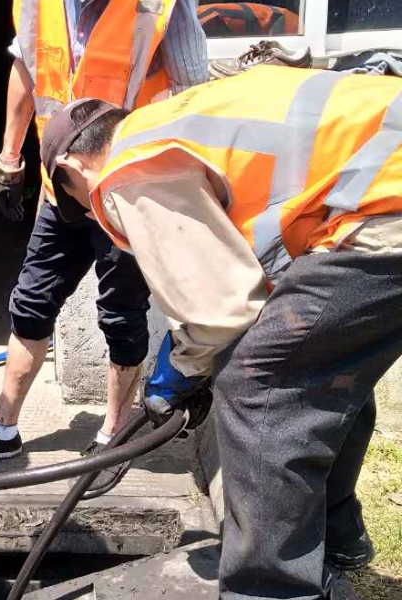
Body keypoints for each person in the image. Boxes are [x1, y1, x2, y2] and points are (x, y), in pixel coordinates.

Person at [37, 64, 402, 598]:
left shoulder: (130, 165)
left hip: (381, 213)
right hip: (378, 198)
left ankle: (269, 589)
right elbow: (252, 283)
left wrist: (179, 370)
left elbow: (219, 309)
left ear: (72, 165)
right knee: (316, 362)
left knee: (262, 387)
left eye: (76, 197)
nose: (93, 215)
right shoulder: (180, 123)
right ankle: (335, 538)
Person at [0, 0, 209, 496]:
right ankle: (2, 430)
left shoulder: (161, 6)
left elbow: (192, 92)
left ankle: (112, 437)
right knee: (32, 303)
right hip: (59, 185)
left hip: (125, 187)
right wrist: (10, 156)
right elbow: (27, 68)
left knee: (121, 314)